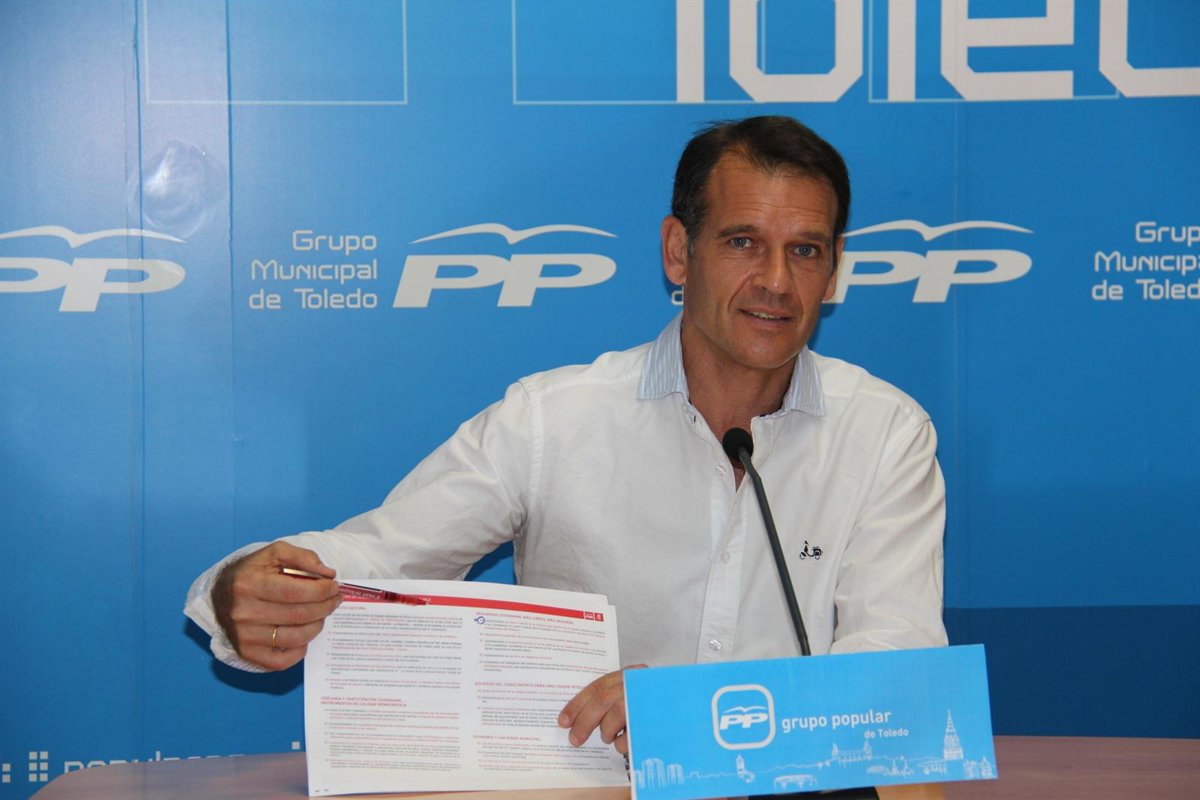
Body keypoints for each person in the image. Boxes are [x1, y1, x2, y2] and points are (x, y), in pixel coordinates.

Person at [185, 115, 947, 757]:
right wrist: (246, 590)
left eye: (805, 250)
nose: (777, 280)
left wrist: (686, 712)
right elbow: (381, 557)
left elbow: (901, 670)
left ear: (833, 271)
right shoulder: (555, 419)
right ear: (678, 252)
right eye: (743, 242)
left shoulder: (885, 432)